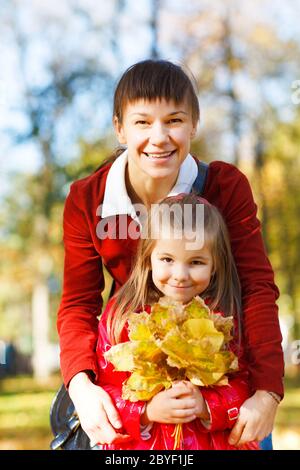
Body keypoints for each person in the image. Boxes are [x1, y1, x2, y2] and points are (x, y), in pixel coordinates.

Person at [58, 59, 284, 449]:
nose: (159, 137)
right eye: (142, 122)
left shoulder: (225, 187)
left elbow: (257, 289)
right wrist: (81, 385)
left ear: (194, 124)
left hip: (222, 372)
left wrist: (267, 392)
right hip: (133, 373)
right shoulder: (88, 199)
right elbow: (78, 304)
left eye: (174, 120)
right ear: (119, 127)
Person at [94, 194, 259, 450]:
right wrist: (145, 411)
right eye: (167, 259)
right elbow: (105, 386)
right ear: (149, 257)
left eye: (196, 262)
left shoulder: (225, 319)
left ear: (215, 265)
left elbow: (246, 382)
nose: (180, 276)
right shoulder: (124, 316)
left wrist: (207, 406)